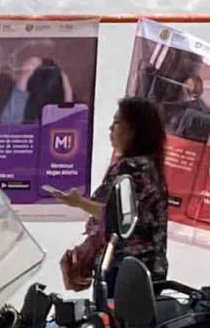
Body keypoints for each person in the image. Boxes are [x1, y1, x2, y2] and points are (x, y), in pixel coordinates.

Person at [55, 97, 169, 290]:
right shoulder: (147, 165)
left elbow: (117, 217)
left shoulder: (134, 168)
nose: (110, 129)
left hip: (128, 270)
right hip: (139, 269)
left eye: (117, 123)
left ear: (134, 131)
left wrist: (78, 202)